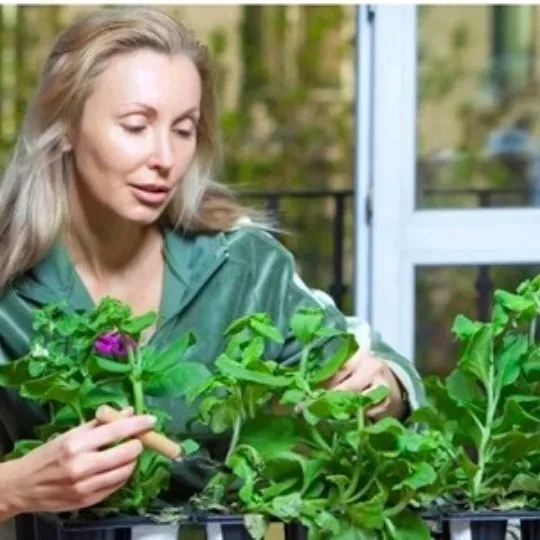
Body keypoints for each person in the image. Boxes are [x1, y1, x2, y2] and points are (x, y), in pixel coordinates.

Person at [0, 5, 424, 527]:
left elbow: (371, 361)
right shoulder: (8, 283)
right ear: (63, 127)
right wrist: (13, 488)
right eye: (136, 126)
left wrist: (387, 388)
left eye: (184, 130)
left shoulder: (240, 263)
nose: (166, 158)